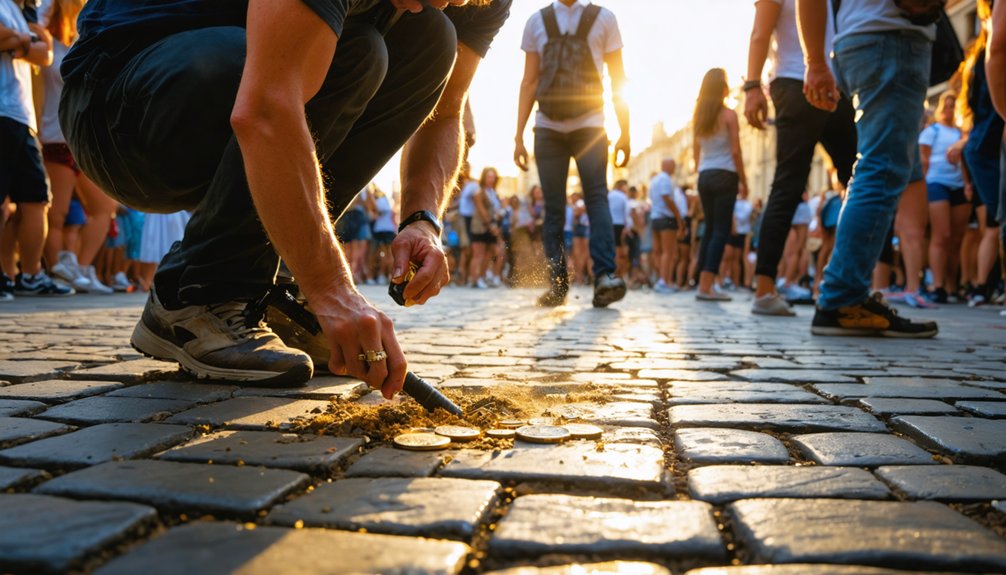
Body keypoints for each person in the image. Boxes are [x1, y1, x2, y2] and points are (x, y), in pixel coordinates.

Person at [60, 0, 512, 393]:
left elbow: (445, 112)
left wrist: (423, 220)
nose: (434, 4)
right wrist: (331, 288)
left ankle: (262, 290)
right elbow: (267, 106)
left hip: (226, 85)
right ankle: (199, 291)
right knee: (355, 54)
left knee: (431, 39)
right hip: (122, 104)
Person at [800, 0, 938, 337]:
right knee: (881, 168)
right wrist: (814, 61)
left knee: (880, 166)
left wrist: (816, 60)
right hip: (889, 37)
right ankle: (842, 298)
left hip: (864, 39)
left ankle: (845, 296)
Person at [743, 0, 856, 316]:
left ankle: (855, 284)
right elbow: (759, 33)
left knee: (860, 178)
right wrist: (752, 86)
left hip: (837, 85)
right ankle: (765, 287)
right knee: (789, 184)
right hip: (794, 81)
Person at [514, 0, 629, 308]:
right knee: (595, 199)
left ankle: (562, 284)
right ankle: (601, 276)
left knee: (555, 209)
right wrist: (518, 136)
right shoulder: (603, 18)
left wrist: (520, 134)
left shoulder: (538, 21)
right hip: (586, 125)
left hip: (558, 126)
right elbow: (618, 81)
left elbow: (529, 82)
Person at [38, 0, 117, 295]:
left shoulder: (82, 39)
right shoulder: (47, 39)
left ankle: (81, 268)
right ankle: (57, 271)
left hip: (81, 137)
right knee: (55, 212)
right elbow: (37, 14)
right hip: (55, 135)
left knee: (103, 208)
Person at [1, 0, 70, 299]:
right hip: (2, 112)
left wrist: (15, 39)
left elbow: (46, 55)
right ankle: (5, 274)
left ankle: (29, 275)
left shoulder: (20, 10)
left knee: (36, 199)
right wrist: (27, 39)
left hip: (21, 116)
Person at [956, 0, 1002, 307]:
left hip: (981, 146)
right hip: (988, 146)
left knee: (992, 223)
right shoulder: (990, 51)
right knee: (994, 223)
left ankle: (983, 286)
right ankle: (983, 286)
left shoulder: (977, 57)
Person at [693, 68, 747, 302]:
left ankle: (702, 282)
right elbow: (735, 150)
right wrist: (743, 180)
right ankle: (707, 285)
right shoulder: (729, 115)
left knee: (710, 231)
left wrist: (701, 171)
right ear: (723, 88)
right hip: (725, 174)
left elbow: (696, 153)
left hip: (705, 174)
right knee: (720, 231)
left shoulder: (699, 117)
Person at [920, 92, 969, 304]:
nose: (949, 109)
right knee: (941, 235)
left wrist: (967, 183)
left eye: (953, 105)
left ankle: (952, 285)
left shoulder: (961, 133)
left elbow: (966, 161)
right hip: (936, 182)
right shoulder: (933, 130)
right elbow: (923, 160)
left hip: (958, 183)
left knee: (957, 239)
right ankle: (938, 285)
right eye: (946, 105)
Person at [649, 159, 685, 294]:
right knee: (668, 252)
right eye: (673, 165)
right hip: (666, 218)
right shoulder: (665, 179)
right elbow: (666, 198)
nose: (675, 168)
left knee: (659, 251)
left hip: (655, 217)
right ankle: (664, 281)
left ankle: (663, 280)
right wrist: (678, 216)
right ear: (667, 166)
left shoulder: (654, 180)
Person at [468, 166, 498, 289]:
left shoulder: (492, 192)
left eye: (493, 177)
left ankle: (482, 277)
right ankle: (474, 280)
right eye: (489, 176)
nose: (491, 179)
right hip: (480, 226)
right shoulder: (479, 191)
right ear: (484, 177)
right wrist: (490, 224)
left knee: (489, 253)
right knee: (478, 254)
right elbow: (481, 210)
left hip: (490, 225)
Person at [608, 178, 630, 278]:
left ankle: (611, 272)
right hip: (620, 225)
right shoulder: (623, 196)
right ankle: (619, 273)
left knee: (611, 249)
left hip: (609, 224)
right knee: (620, 250)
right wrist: (627, 227)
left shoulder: (608, 196)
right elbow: (627, 213)